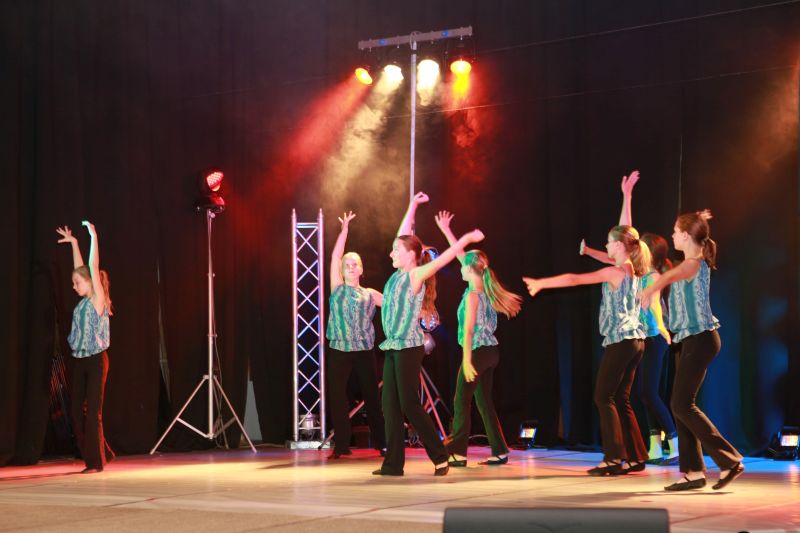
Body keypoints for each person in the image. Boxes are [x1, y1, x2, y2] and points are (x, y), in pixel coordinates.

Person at [524, 224, 650, 475]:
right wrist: (590, 252)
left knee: (603, 397)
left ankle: (613, 458)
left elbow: (574, 279)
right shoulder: (633, 270)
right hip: (636, 342)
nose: (606, 246)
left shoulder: (615, 272)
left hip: (621, 341)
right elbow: (609, 255)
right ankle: (636, 456)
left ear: (619, 245)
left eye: (608, 242)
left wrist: (541, 283)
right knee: (620, 398)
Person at [374, 192, 484, 477]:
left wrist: (465, 239)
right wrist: (412, 205)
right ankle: (393, 464)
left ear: (411, 255)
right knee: (390, 406)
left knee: (410, 405)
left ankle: (440, 455)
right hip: (392, 346)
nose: (391, 253)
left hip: (409, 348)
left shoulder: (415, 275)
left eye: (396, 251)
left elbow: (443, 258)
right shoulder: (396, 276)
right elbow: (403, 236)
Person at [641, 210, 744, 491]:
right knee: (680, 405)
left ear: (686, 236)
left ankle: (729, 460)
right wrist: (699, 216)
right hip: (690, 340)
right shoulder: (691, 262)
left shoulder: (693, 264)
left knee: (681, 404)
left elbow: (671, 275)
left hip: (701, 339)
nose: (672, 235)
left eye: (676, 231)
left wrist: (650, 289)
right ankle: (693, 471)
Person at [580, 171, 678, 464]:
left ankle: (672, 444)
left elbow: (656, 308)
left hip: (652, 337)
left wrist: (663, 330)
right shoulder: (630, 270)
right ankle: (651, 449)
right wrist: (626, 195)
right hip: (639, 338)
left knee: (645, 393)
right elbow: (622, 237)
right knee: (638, 395)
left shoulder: (649, 275)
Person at [434, 211, 522, 467]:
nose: (459, 267)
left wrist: (466, 360)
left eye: (463, 265)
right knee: (484, 402)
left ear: (470, 270)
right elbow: (461, 255)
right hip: (490, 353)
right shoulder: (482, 289)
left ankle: (458, 452)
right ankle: (500, 450)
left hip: (478, 352)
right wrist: (447, 231)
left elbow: (469, 331)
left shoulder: (473, 296)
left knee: (461, 400)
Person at [326, 211, 386, 458]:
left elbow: (394, 305)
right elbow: (335, 256)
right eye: (347, 265)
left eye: (355, 264)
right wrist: (344, 232)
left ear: (361, 269)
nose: (351, 267)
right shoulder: (337, 288)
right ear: (342, 270)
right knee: (338, 397)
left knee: (372, 396)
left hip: (363, 350)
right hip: (339, 349)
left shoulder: (370, 293)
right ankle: (341, 446)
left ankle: (382, 443)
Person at [56, 222, 112, 474]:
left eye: (77, 283)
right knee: (77, 413)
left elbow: (91, 266)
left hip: (97, 360)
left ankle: (95, 463)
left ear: (90, 283)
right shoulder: (81, 304)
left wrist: (93, 236)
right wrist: (74, 244)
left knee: (93, 414)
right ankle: (104, 452)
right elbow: (81, 269)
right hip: (80, 361)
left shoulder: (97, 299)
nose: (74, 286)